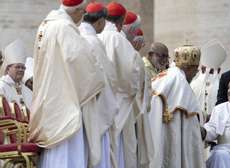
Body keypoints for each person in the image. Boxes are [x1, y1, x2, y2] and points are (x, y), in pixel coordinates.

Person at [28, 0, 106, 167]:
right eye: (83, 11)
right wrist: (98, 76)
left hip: (49, 97)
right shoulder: (64, 27)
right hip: (65, 101)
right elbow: (78, 60)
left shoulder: (46, 25)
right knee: (68, 152)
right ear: (76, 10)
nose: (83, 15)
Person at [98, 2, 151, 168]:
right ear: (121, 22)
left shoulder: (97, 36)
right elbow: (132, 76)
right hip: (120, 104)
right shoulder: (119, 40)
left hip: (100, 103)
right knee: (120, 151)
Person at [149, 45, 205, 168]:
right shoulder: (180, 82)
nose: (195, 74)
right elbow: (189, 121)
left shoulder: (166, 75)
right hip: (171, 132)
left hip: (154, 132)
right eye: (196, 70)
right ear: (191, 67)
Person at [79, 2, 118, 168]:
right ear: (101, 21)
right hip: (95, 107)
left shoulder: (76, 35)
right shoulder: (93, 41)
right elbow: (107, 78)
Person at [191, 39, 227, 121]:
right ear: (202, 69)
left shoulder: (222, 86)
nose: (209, 73)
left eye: (211, 71)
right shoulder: (192, 85)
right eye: (207, 70)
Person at [0, 39, 32, 109]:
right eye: (17, 67)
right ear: (8, 69)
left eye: (23, 68)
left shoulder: (27, 90)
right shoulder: (2, 86)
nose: (21, 70)